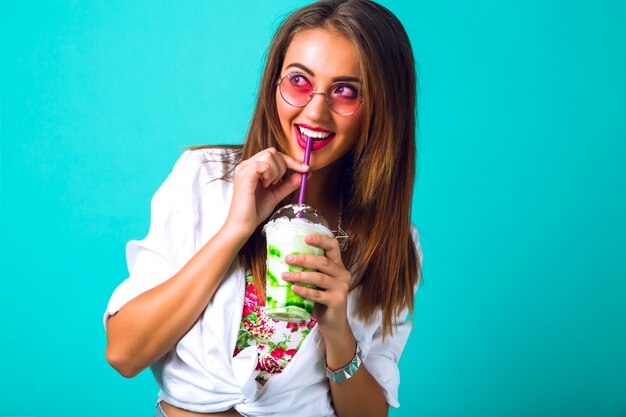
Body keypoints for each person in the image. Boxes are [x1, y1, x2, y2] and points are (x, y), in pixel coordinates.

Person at [104, 0, 422, 416]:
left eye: (347, 91)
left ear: (381, 107)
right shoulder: (205, 178)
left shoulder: (390, 243)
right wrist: (234, 230)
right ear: (275, 82)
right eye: (299, 81)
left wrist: (338, 333)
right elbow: (125, 353)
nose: (314, 111)